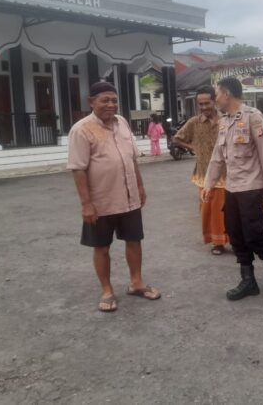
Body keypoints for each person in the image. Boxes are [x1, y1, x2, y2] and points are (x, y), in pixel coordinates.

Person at [67, 81, 161, 313]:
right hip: (101, 202)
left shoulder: (122, 123)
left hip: (129, 197)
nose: (111, 105)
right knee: (101, 247)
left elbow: (132, 158)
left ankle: (136, 282)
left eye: (114, 100)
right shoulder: (81, 130)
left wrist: (140, 186)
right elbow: (78, 169)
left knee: (134, 240)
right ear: (91, 102)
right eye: (105, 100)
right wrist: (86, 204)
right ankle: (107, 290)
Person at [202, 77, 263, 300]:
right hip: (232, 187)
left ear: (226, 94)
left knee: (254, 232)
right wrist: (209, 184)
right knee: (235, 233)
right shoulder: (224, 121)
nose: (215, 99)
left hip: (252, 186)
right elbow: (217, 156)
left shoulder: (253, 117)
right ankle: (248, 281)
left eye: (217, 94)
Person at [172, 85, 229, 255]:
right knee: (208, 210)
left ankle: (232, 240)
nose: (204, 107)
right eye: (200, 104)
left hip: (226, 174)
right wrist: (193, 147)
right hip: (204, 174)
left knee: (226, 210)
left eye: (207, 103)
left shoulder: (226, 120)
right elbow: (176, 138)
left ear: (214, 101)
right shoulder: (194, 122)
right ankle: (217, 242)